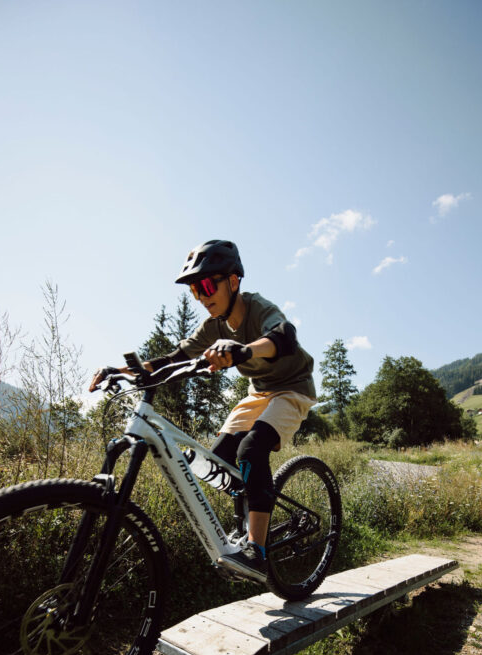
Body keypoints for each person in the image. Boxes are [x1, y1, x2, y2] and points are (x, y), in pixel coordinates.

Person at [89, 239, 316, 582]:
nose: (202, 295)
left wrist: (241, 350)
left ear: (234, 281)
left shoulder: (257, 308)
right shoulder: (213, 327)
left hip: (292, 389)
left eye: (208, 285)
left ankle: (258, 549)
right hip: (259, 393)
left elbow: (283, 337)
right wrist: (122, 372)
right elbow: (173, 359)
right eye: (195, 290)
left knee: (251, 449)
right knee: (215, 462)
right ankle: (255, 501)